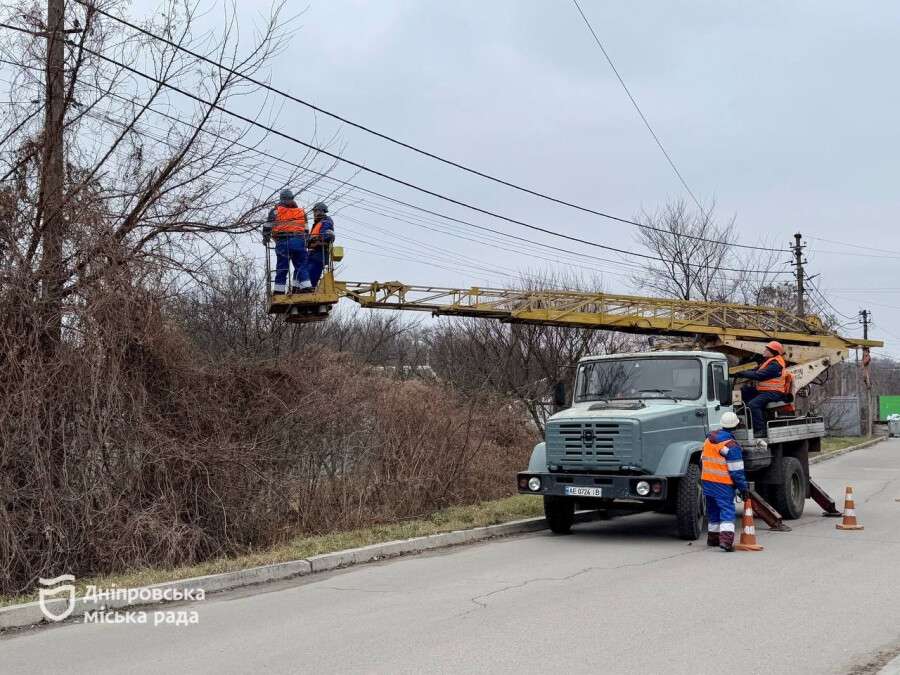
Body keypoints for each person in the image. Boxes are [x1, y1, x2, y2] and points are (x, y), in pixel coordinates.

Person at [701, 411, 750, 552]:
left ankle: (713, 538)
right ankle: (726, 542)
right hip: (722, 483)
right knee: (727, 510)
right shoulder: (731, 445)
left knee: (713, 510)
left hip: (707, 480)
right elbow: (737, 471)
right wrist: (743, 489)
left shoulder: (708, 440)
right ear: (735, 427)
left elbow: (703, 459)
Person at [264, 189, 312, 294]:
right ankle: (306, 287)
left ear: (281, 199)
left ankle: (279, 291)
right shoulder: (301, 212)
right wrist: (306, 241)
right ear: (292, 199)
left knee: (282, 267)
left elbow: (267, 226)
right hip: (298, 242)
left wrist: (266, 238)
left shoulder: (276, 211)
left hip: (283, 242)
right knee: (301, 265)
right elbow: (306, 230)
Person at [740, 341, 790, 438]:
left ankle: (760, 430)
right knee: (744, 392)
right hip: (766, 390)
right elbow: (756, 371)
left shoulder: (775, 365)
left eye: (767, 349)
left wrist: (742, 373)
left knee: (753, 404)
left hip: (774, 392)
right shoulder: (769, 362)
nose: (764, 350)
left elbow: (760, 375)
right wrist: (742, 371)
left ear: (773, 352)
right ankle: (749, 420)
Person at [306, 202, 334, 289]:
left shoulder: (326, 222)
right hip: (313, 254)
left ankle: (310, 291)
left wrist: (314, 240)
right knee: (306, 275)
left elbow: (328, 236)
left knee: (311, 277)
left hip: (319, 254)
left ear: (321, 211)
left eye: (315, 211)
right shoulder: (318, 223)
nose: (314, 214)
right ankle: (307, 290)